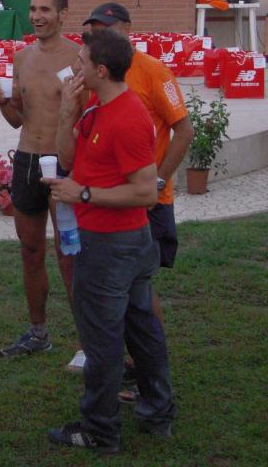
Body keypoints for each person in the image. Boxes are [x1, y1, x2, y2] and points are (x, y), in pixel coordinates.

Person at [44, 28, 176, 454]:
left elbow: (145, 191)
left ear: (100, 70)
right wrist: (67, 110)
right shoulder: (97, 109)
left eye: (81, 62)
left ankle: (100, 431)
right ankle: (158, 412)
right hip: (116, 243)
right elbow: (67, 159)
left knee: (102, 341)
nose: (75, 67)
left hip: (112, 245)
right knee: (141, 328)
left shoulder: (127, 117)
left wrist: (83, 194)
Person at [82, 2, 193, 392]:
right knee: (126, 290)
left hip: (149, 200)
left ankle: (145, 365)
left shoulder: (153, 70)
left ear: (129, 28)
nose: (101, 36)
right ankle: (136, 366)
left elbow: (185, 130)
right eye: (94, 31)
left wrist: (158, 183)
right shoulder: (97, 79)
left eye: (108, 29)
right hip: (118, 201)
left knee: (142, 292)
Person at [0, 0, 81, 358]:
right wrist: (1, 104)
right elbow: (17, 120)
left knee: (70, 254)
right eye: (33, 9)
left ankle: (88, 341)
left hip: (63, 163)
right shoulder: (21, 58)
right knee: (30, 251)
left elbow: (86, 115)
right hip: (27, 160)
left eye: (45, 10)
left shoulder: (79, 56)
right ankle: (38, 331)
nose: (37, 16)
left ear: (62, 15)